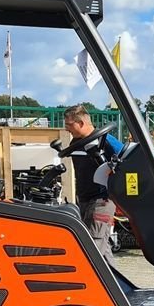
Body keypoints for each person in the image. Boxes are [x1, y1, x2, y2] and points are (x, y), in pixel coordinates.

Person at [62, 106, 123, 265]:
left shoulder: (107, 142)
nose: (66, 129)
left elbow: (128, 164)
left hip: (102, 199)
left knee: (91, 248)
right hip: (84, 199)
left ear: (81, 123)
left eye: (69, 125)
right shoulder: (75, 142)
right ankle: (117, 283)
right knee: (102, 246)